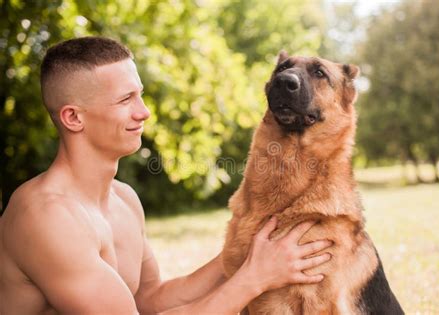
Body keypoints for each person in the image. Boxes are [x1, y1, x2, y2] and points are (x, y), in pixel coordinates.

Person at [0, 36, 333, 314]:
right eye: (125, 99)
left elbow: (149, 300)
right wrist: (254, 278)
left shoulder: (124, 200)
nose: (143, 112)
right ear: (73, 118)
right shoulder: (46, 216)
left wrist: (247, 249)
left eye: (139, 94)